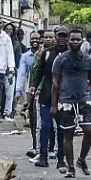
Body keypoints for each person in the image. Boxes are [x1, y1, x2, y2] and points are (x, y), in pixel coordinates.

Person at [51, 28, 91, 179]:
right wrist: (54, 105)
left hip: (84, 100)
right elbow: (55, 83)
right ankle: (71, 167)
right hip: (66, 100)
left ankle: (82, 159)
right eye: (72, 39)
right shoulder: (60, 60)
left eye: (77, 39)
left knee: (89, 131)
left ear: (82, 41)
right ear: (68, 41)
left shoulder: (88, 60)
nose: (75, 42)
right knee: (68, 134)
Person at [31, 27, 68, 169]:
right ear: (56, 37)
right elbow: (39, 72)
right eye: (60, 35)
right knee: (45, 126)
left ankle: (61, 158)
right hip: (46, 94)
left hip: (64, 96)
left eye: (65, 36)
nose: (62, 38)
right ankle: (43, 156)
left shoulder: (70, 54)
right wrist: (34, 85)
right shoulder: (46, 54)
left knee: (61, 128)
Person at [0, 18, 16, 121]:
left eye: (0, 23)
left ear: (2, 25)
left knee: (6, 92)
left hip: (4, 69)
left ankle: (6, 113)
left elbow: (10, 53)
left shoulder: (6, 38)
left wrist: (11, 67)